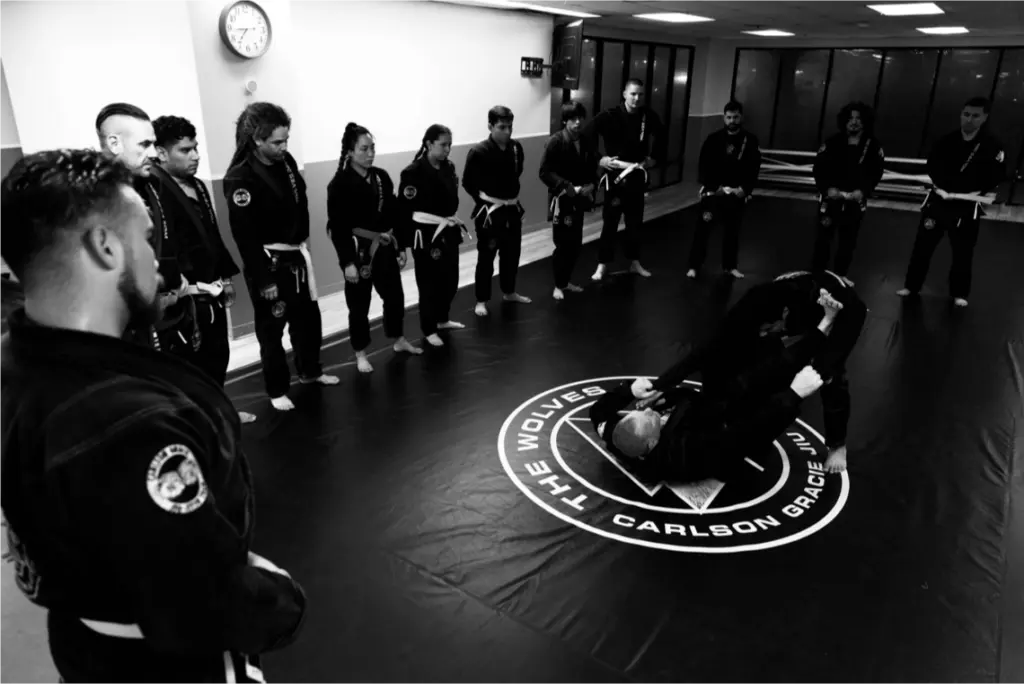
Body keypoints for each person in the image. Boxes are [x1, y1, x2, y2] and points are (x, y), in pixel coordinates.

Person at [0, 149, 306, 683]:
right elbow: (201, 599)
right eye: (146, 238)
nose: (159, 262)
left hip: (81, 641)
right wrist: (281, 599)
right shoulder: (130, 424)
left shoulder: (16, 362)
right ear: (105, 246)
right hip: (168, 665)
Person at [628, 269, 867, 474]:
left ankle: (838, 445)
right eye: (762, 328)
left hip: (839, 313)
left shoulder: (845, 312)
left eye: (768, 328)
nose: (763, 333)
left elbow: (807, 361)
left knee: (826, 374)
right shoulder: (756, 302)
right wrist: (663, 383)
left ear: (784, 315)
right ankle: (741, 410)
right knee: (750, 351)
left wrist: (823, 329)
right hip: (796, 302)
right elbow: (709, 348)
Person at [223, 102, 339, 411]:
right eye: (276, 142)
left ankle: (310, 371)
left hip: (295, 256)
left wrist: (302, 242)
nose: (284, 147)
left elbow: (300, 205)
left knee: (308, 321)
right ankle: (276, 389)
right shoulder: (240, 177)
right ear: (256, 139)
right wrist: (264, 279)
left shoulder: (286, 162)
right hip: (269, 263)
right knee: (272, 329)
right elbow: (244, 236)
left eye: (286, 140)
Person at [150, 115, 256, 423]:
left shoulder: (197, 186)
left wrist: (226, 277)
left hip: (211, 288)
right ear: (162, 152)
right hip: (182, 295)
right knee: (189, 364)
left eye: (195, 148)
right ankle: (197, 422)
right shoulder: (154, 190)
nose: (195, 156)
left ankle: (218, 410)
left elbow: (213, 235)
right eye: (185, 150)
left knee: (217, 354)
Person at [327, 122, 422, 371]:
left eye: (372, 148)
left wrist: (400, 247)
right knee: (359, 305)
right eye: (364, 149)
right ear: (350, 152)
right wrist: (347, 262)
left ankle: (398, 339)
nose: (370, 154)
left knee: (395, 297)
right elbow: (337, 227)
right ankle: (360, 352)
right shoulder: (339, 184)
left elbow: (394, 213)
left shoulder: (381, 176)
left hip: (385, 246)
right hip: (359, 251)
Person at [897, 96, 1008, 308]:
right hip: (939, 201)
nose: (969, 119)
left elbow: (996, 174)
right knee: (922, 247)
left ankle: (959, 293)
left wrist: (969, 188)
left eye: (975, 116)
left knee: (963, 252)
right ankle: (911, 286)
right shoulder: (946, 140)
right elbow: (933, 166)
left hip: (966, 205)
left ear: (984, 118)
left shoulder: (992, 146)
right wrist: (945, 186)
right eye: (966, 114)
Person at [96, 102, 185, 348]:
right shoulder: (95, 199)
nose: (153, 153)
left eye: (153, 144)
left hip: (167, 309)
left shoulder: (153, 183)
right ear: (114, 143)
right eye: (144, 145)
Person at [584, 78, 664, 282]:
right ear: (624, 94)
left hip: (636, 174)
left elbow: (662, 135)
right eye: (633, 94)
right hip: (616, 175)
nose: (637, 98)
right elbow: (587, 134)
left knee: (635, 222)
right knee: (610, 222)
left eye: (640, 94)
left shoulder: (648, 116)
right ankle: (602, 264)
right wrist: (599, 158)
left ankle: (634, 261)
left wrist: (654, 158)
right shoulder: (610, 115)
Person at [397, 123, 469, 347]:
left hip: (447, 228)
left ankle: (442, 319)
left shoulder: (449, 167)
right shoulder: (413, 172)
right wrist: (402, 245)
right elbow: (403, 210)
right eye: (443, 145)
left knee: (451, 280)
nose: (447, 149)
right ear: (429, 144)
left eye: (450, 145)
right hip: (425, 234)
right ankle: (429, 329)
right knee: (429, 284)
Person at [463, 105, 532, 317]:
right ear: (490, 126)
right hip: (490, 212)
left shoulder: (516, 148)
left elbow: (517, 173)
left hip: (511, 209)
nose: (507, 131)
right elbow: (468, 182)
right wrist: (485, 202)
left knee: (511, 254)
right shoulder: (479, 151)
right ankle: (481, 300)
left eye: (510, 126)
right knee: (487, 257)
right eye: (502, 127)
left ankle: (509, 292)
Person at [811, 102, 885, 285]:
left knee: (848, 240)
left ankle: (841, 273)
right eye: (850, 118)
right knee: (823, 238)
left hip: (855, 200)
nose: (854, 122)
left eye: (858, 118)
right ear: (844, 121)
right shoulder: (832, 142)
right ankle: (817, 273)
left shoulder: (873, 145)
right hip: (831, 199)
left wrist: (863, 191)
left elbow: (876, 172)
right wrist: (827, 189)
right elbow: (819, 168)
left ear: (865, 121)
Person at [686, 100, 761, 280]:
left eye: (735, 117)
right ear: (723, 118)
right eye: (729, 117)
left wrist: (745, 189)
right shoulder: (713, 139)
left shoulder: (750, 140)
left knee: (732, 233)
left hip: (736, 193)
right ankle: (694, 266)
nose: (732, 121)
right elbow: (704, 166)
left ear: (741, 117)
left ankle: (730, 266)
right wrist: (713, 186)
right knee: (702, 231)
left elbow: (753, 167)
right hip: (714, 192)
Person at [539, 100, 598, 300]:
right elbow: (545, 172)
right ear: (565, 120)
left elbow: (592, 166)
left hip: (579, 200)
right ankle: (558, 284)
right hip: (563, 200)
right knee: (563, 245)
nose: (578, 122)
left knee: (576, 244)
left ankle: (565, 281)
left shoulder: (586, 140)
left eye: (580, 118)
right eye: (573, 118)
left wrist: (592, 184)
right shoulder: (555, 142)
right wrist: (566, 186)